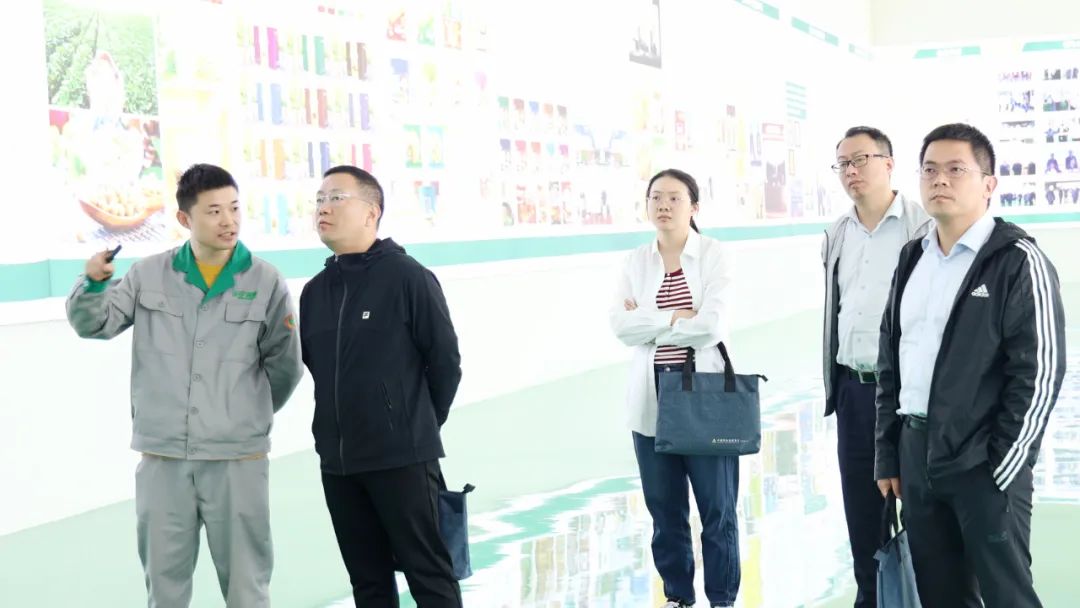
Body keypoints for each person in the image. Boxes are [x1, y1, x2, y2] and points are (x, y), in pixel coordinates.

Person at [66, 163, 303, 606]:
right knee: (164, 586)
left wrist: (242, 414)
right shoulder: (148, 275)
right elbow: (94, 324)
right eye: (214, 211)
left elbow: (286, 365)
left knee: (247, 586)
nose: (228, 220)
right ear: (184, 218)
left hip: (237, 458)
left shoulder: (266, 280)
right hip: (164, 457)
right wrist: (94, 283)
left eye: (234, 208)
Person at [875, 124, 1066, 608]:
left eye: (956, 169)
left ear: (988, 184)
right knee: (941, 596)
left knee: (1008, 596)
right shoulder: (911, 259)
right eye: (930, 170)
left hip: (983, 463)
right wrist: (889, 454)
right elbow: (890, 362)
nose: (940, 179)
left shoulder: (1017, 261)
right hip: (917, 458)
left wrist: (1002, 466)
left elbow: (1040, 372)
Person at [299, 165, 463, 607]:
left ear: (371, 212)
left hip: (401, 457)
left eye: (336, 198)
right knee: (367, 582)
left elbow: (445, 363)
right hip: (338, 463)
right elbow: (317, 369)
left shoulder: (408, 277)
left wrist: (412, 424)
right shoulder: (315, 292)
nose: (323, 209)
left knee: (429, 575)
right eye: (319, 200)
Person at [609, 169, 738, 608]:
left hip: (705, 399)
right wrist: (676, 317)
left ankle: (722, 600)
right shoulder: (636, 261)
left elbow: (712, 326)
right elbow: (622, 328)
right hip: (652, 399)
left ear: (694, 207)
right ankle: (678, 598)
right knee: (665, 513)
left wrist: (647, 319)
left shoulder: (714, 255)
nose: (663, 205)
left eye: (674, 198)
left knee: (717, 512)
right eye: (656, 197)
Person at [821, 126, 930, 608]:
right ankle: (871, 599)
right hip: (853, 391)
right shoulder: (836, 234)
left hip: (909, 398)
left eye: (861, 159)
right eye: (843, 163)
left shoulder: (922, 227)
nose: (851, 171)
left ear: (889, 163)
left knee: (923, 516)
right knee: (863, 520)